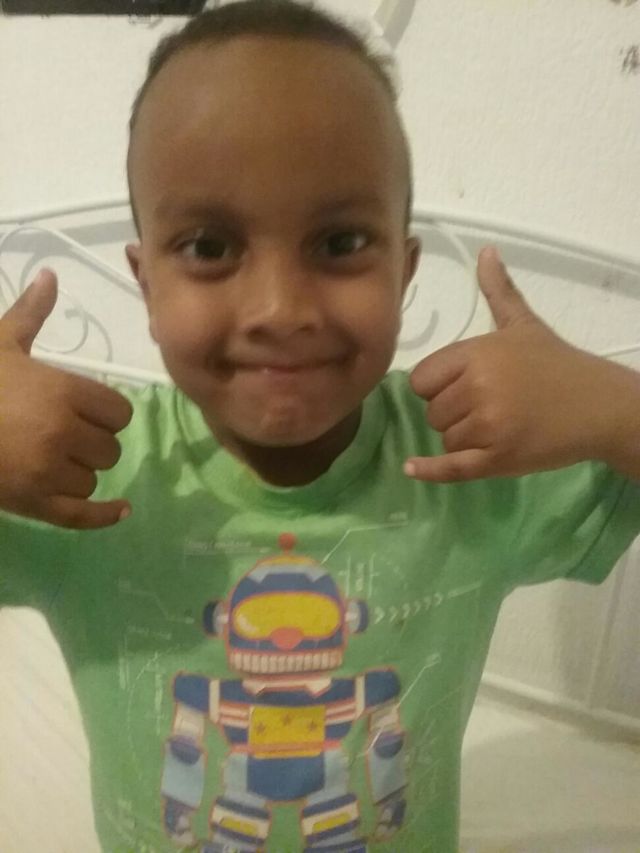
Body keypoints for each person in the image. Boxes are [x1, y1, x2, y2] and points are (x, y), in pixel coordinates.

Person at [1, 2, 639, 852]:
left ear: (404, 272)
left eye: (339, 242)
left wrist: (616, 407)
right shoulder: (83, 473)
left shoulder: (469, 458)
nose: (280, 308)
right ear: (147, 283)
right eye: (208, 246)